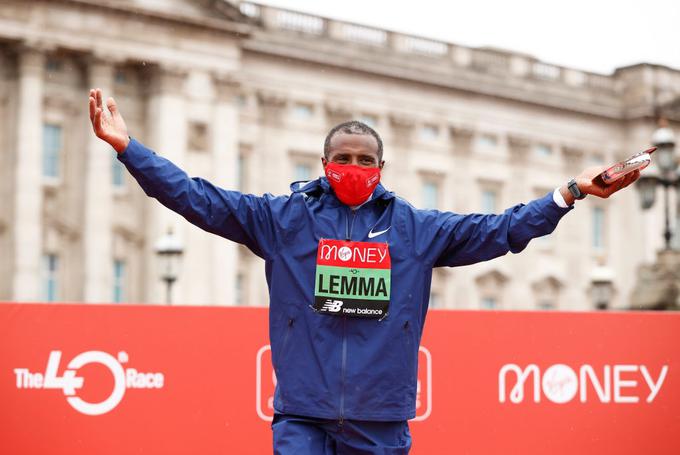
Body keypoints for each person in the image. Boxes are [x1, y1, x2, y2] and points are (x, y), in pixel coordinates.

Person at [88, 88, 640, 454]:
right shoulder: (283, 220)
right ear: (324, 166)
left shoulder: (416, 230)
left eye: (365, 160)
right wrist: (129, 149)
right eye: (343, 159)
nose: (354, 168)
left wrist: (569, 194)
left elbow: (500, 229)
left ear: (382, 168)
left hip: (380, 421)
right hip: (302, 416)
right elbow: (198, 199)